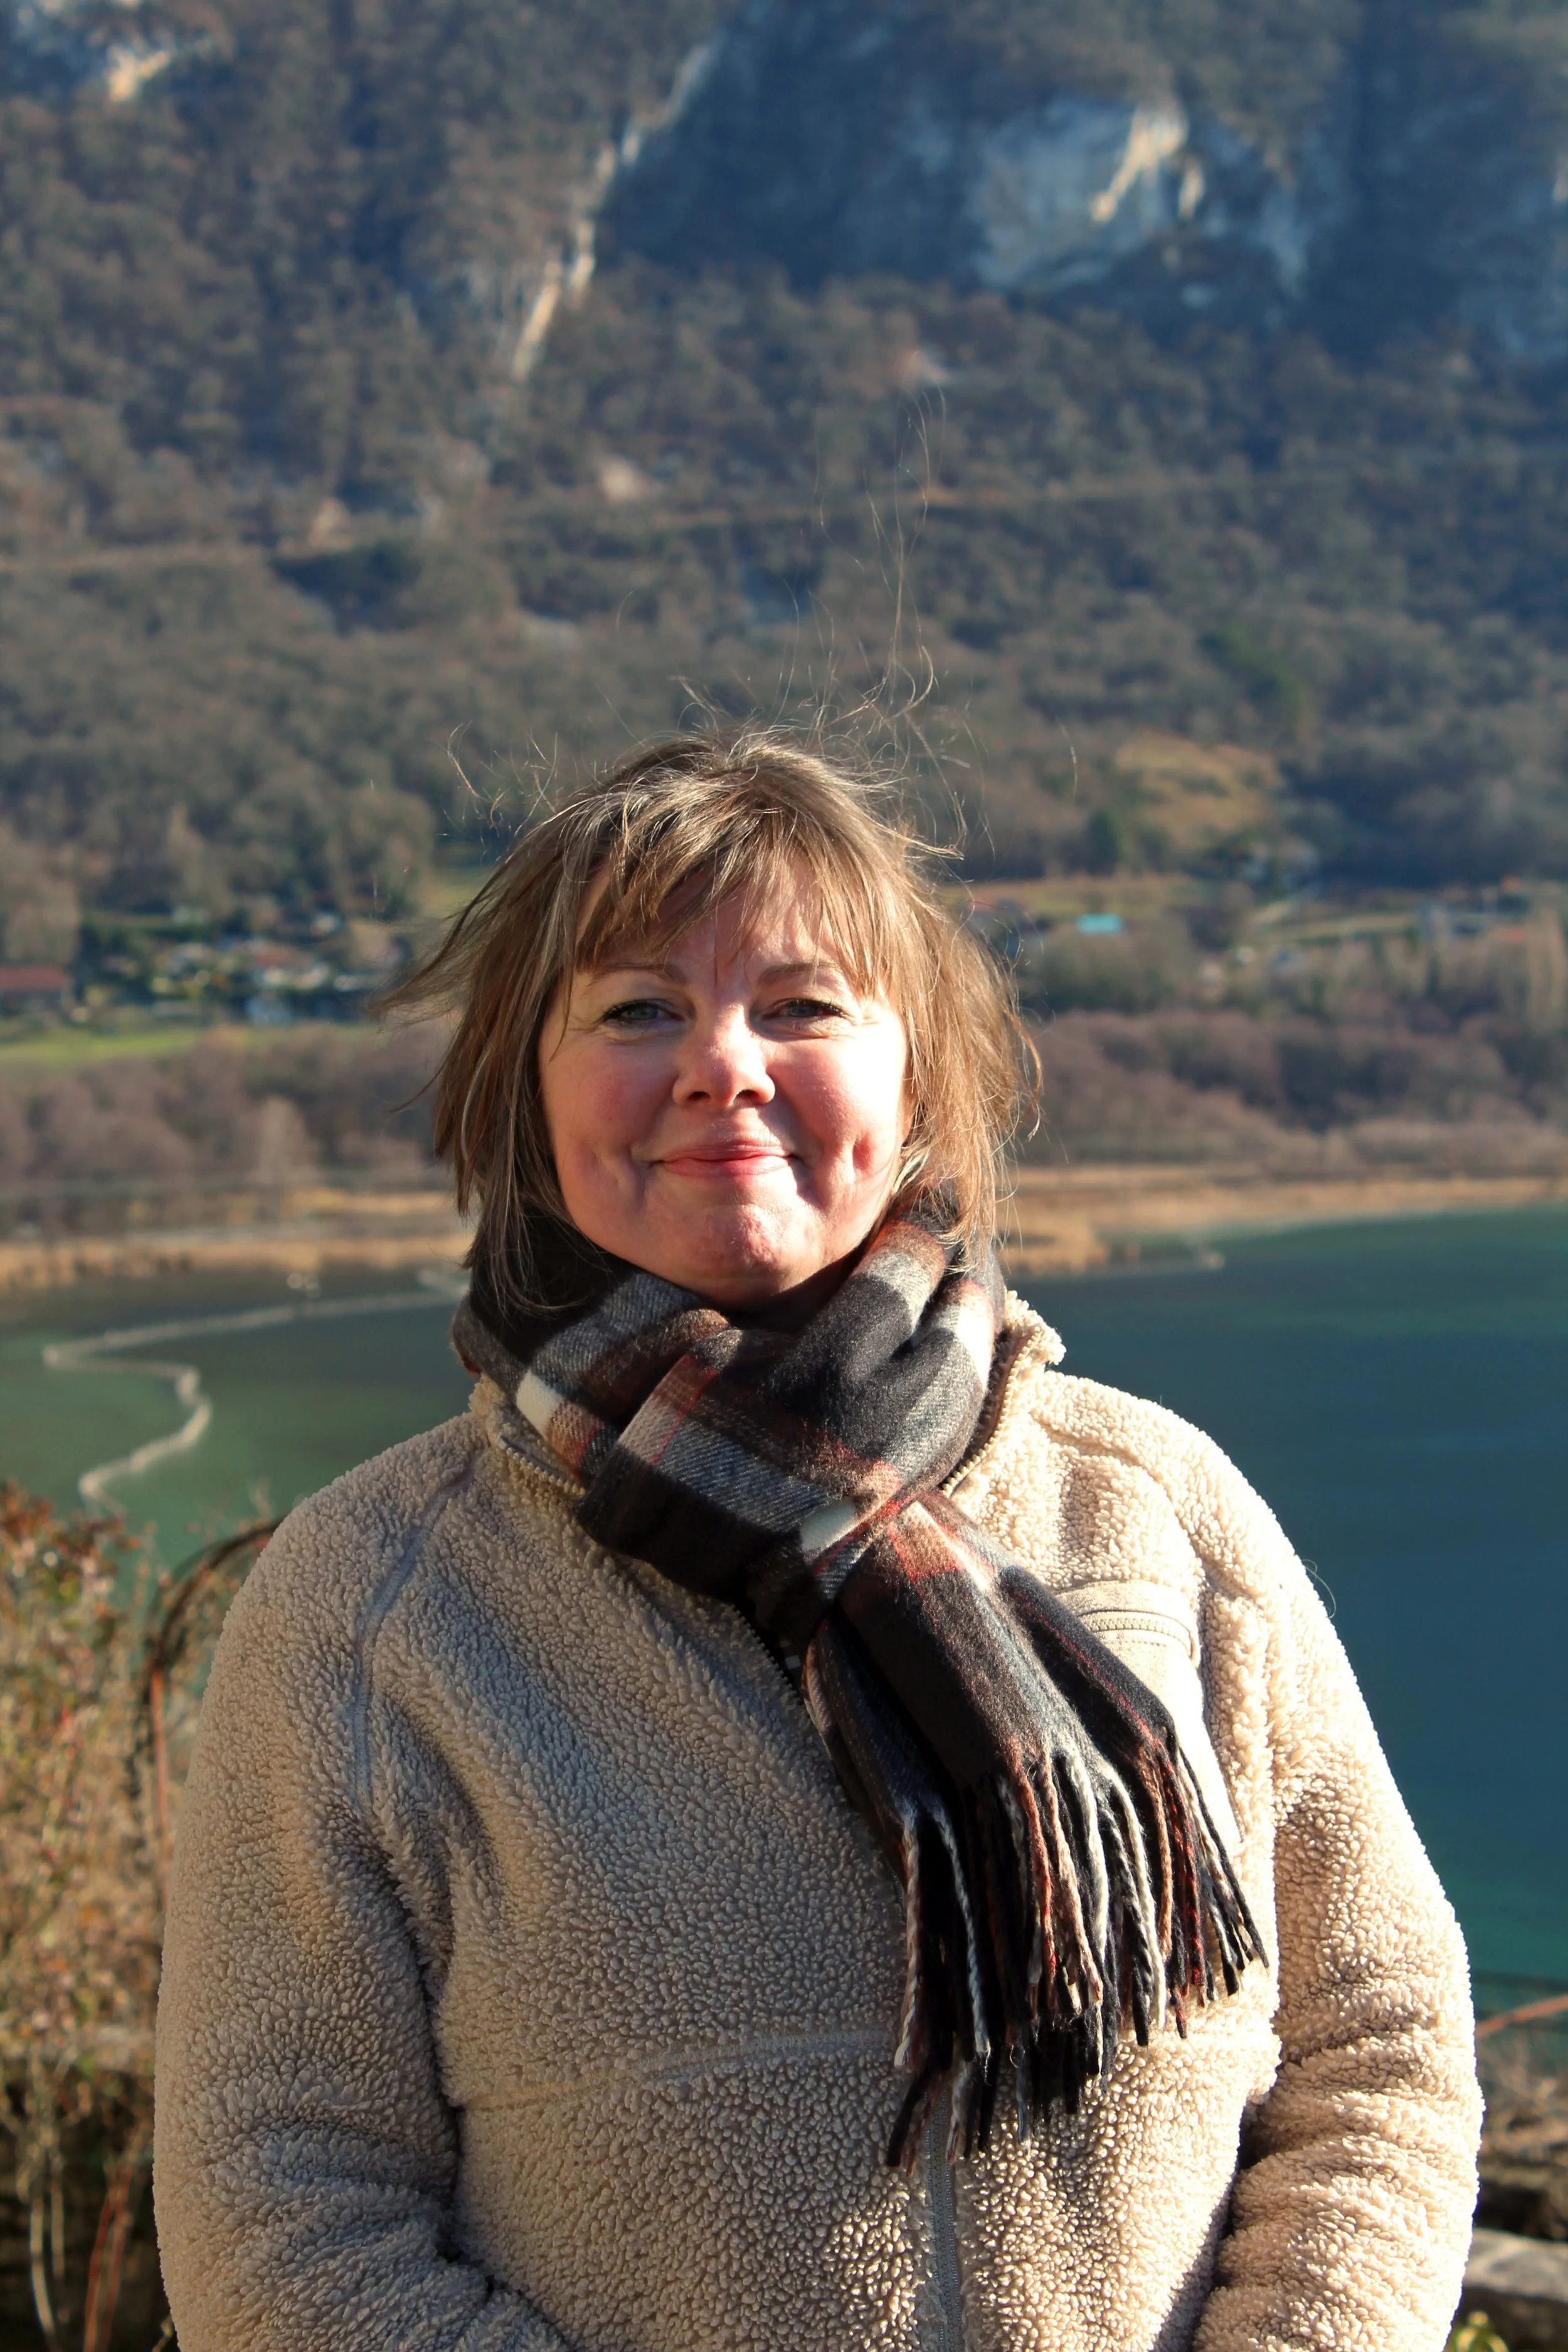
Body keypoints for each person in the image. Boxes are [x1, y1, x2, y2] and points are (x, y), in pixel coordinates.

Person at [154, 731, 1481, 2352]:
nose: (723, 1063)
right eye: (637, 1008)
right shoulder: (371, 1604)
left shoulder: (1156, 1505)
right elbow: (276, 2200)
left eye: (799, 1003)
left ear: (914, 1073)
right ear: (528, 1090)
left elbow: (1379, 2043)